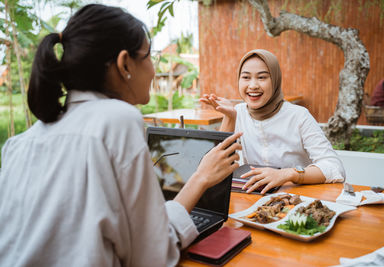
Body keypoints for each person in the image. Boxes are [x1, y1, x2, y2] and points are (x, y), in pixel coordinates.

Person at [0, 4, 242, 267]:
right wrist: (200, 178)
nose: (153, 69)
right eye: (150, 56)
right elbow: (153, 256)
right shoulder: (117, 119)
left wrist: (200, 179)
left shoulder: (20, 142)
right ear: (124, 63)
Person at [200, 49, 345, 195]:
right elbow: (216, 168)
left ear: (275, 80)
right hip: (255, 199)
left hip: (298, 200)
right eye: (246, 77)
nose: (253, 85)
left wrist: (288, 174)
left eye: (262, 77)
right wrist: (230, 117)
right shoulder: (238, 112)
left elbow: (335, 168)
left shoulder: (299, 116)